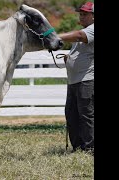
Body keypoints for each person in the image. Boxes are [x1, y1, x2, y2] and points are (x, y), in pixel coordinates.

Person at [58, 1, 94, 154]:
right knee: (72, 114)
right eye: (81, 13)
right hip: (75, 80)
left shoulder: (91, 30)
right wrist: (70, 58)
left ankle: (90, 148)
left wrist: (54, 36)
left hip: (87, 80)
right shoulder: (85, 30)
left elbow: (79, 36)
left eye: (85, 14)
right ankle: (78, 147)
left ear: (93, 17)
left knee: (86, 114)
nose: (81, 16)